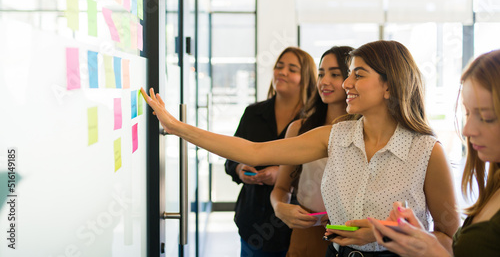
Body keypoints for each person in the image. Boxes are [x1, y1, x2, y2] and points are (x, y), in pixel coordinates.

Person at [140, 40, 460, 257]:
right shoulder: (334, 136)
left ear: (390, 84)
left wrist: (384, 237)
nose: (345, 84)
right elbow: (254, 152)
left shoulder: (426, 151)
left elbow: (450, 241)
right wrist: (177, 127)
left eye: (357, 75)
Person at [369, 49, 500, 257]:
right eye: (467, 113)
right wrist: (420, 239)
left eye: (486, 117)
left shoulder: (427, 148)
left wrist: (433, 252)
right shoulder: (493, 186)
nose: (467, 130)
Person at [224, 47, 318, 257]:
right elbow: (230, 159)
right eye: (279, 66)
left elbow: (319, 171)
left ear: (306, 79)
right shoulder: (253, 113)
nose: (282, 72)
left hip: (292, 227)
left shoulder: (313, 122)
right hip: (251, 222)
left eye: (292, 69)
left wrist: (282, 174)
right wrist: (240, 169)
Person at [270, 46, 355, 257]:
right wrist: (280, 207)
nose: (324, 81)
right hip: (307, 231)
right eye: (321, 74)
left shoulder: (367, 131)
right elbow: (280, 188)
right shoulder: (299, 129)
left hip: (353, 234)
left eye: (334, 74)